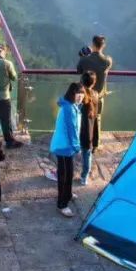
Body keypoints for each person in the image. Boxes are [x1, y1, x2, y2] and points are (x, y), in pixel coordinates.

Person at [50, 82, 84, 217]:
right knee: (64, 175)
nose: (80, 96)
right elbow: (72, 130)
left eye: (82, 93)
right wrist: (77, 148)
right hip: (64, 146)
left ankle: (68, 194)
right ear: (72, 93)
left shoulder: (71, 105)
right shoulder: (69, 108)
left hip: (66, 145)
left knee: (69, 173)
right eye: (77, 93)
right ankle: (62, 204)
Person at [77, 34, 113, 124]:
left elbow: (79, 70)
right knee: (97, 119)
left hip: (85, 96)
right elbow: (110, 61)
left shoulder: (84, 60)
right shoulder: (107, 61)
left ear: (92, 44)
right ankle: (96, 137)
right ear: (103, 46)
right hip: (98, 96)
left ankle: (83, 137)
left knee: (82, 119)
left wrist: (83, 56)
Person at [78, 71, 101, 185]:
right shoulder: (96, 94)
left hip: (79, 129)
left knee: (73, 152)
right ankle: (84, 177)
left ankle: (66, 172)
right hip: (90, 130)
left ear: (82, 81)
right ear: (94, 82)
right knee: (87, 154)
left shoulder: (80, 96)